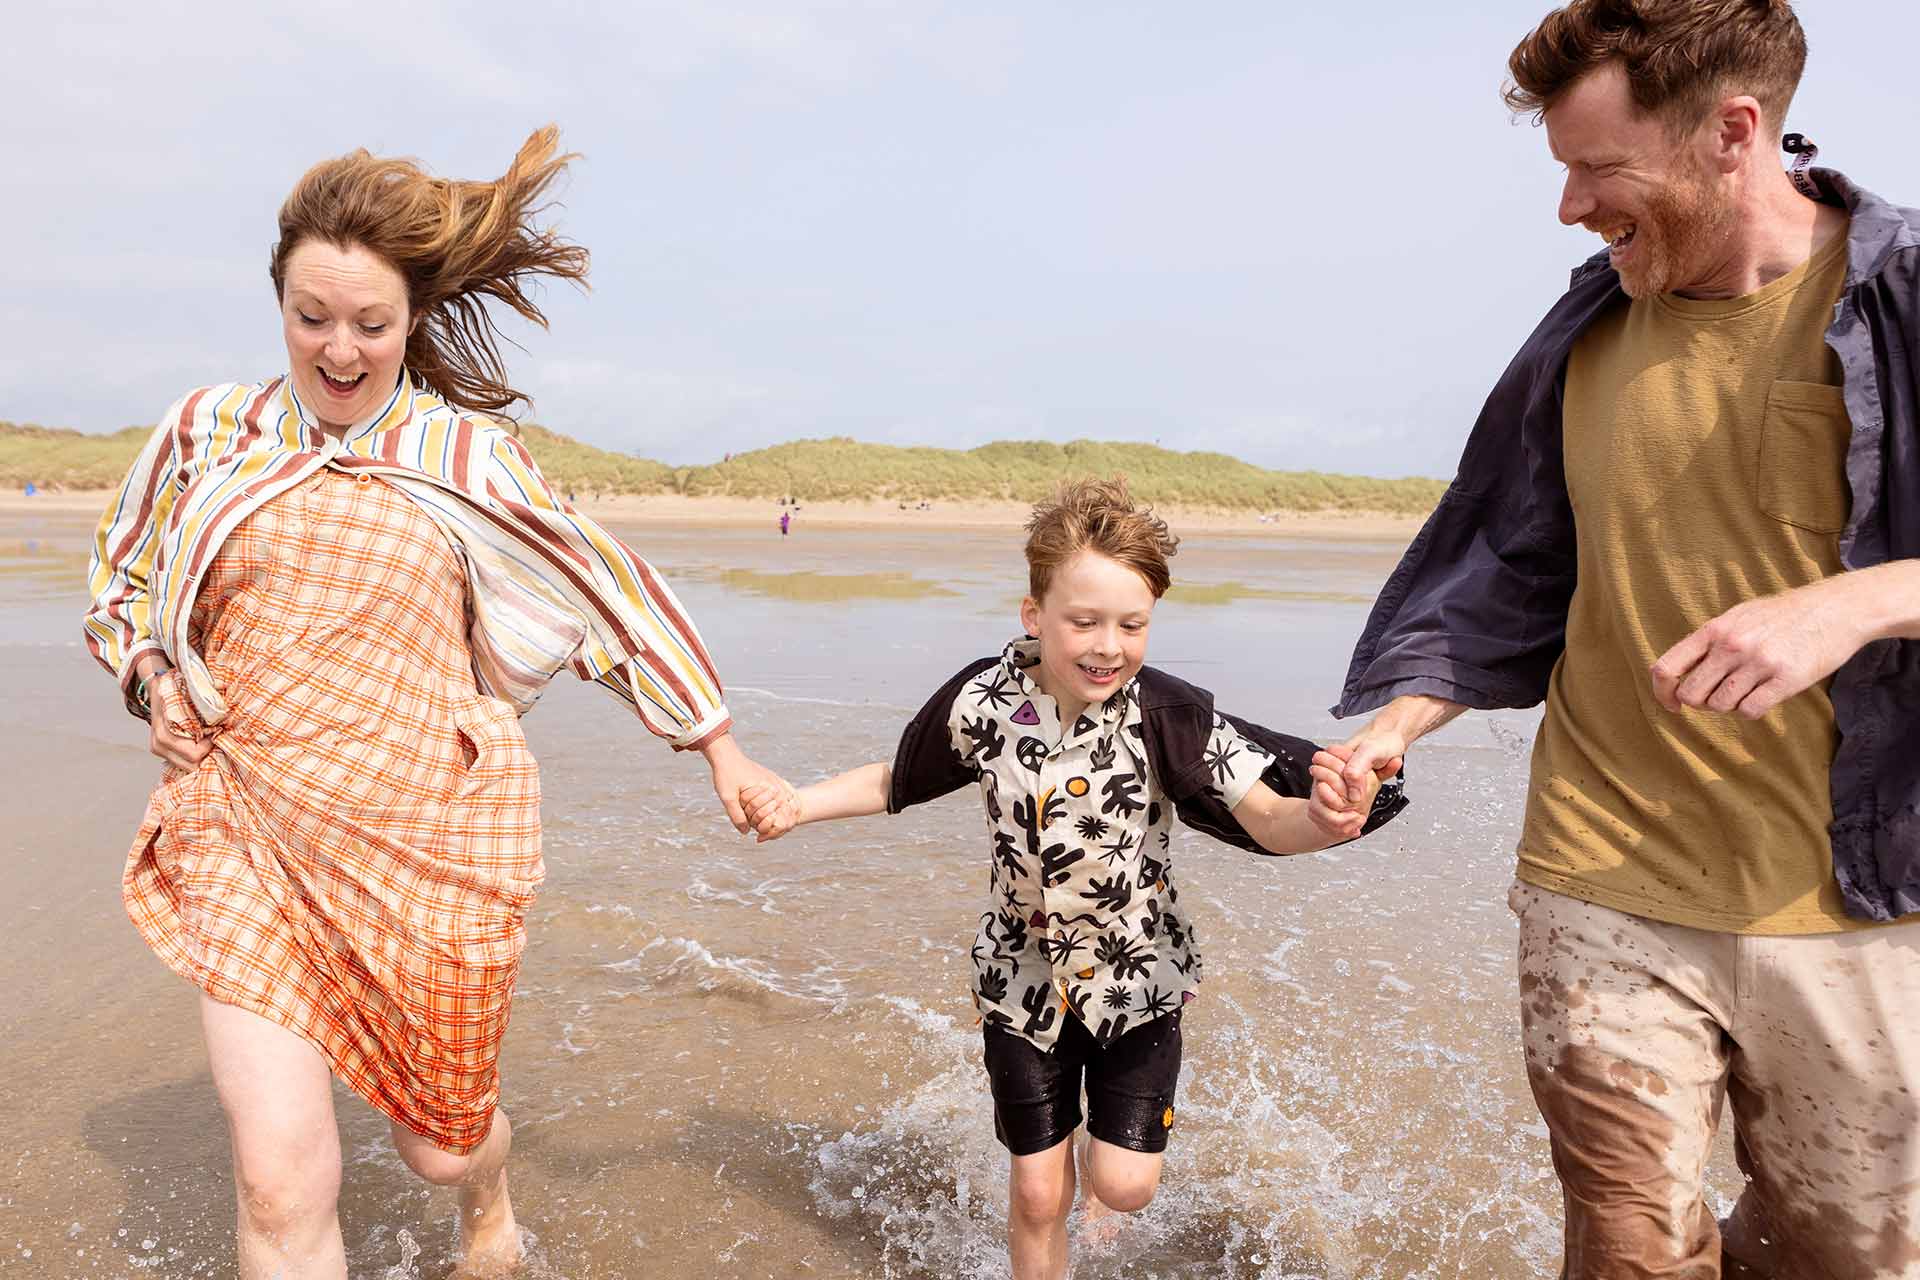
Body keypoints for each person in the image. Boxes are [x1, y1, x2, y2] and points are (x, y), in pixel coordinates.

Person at [81, 127, 797, 1280]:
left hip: (423, 827)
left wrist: (717, 743)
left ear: (412, 316)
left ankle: (487, 1201)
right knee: (280, 1178)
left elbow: (601, 589)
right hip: (241, 822)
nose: (342, 346)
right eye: (314, 314)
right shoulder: (208, 431)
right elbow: (119, 583)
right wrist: (153, 677)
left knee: (439, 1144)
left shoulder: (468, 457)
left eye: (371, 321)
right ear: (277, 299)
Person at [1322, 3, 1920, 1275]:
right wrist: (1396, 724)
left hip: (1859, 905)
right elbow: (1514, 572)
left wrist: (1858, 599)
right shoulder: (1585, 332)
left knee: (1844, 1258)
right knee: (1628, 1250)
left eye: (1599, 169)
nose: (1572, 206)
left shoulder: (1905, 296)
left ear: (1733, 132)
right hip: (1602, 875)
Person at [744, 478, 1406, 1280]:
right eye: (1083, 621)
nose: (1108, 646)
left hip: (1140, 976)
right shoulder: (983, 702)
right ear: (1034, 616)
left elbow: (1268, 817)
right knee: (1034, 1195)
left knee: (1123, 1188)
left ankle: (1104, 1182)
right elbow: (896, 781)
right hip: (1019, 979)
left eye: (1132, 625)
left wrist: (1330, 824)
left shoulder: (1169, 714)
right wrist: (797, 803)